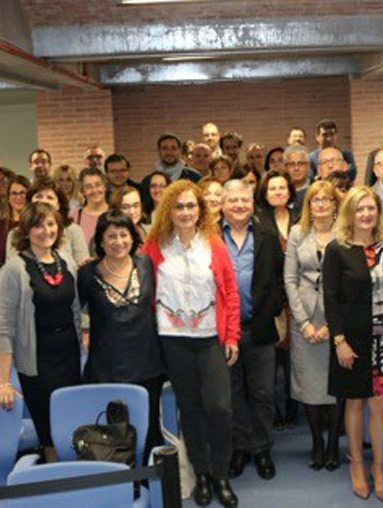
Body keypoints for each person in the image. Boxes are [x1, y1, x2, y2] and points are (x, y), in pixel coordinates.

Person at [142, 180, 239, 507]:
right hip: (173, 339)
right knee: (191, 410)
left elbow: (230, 293)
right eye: (179, 206)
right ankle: (201, 474)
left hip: (210, 337)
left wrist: (233, 337)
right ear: (169, 210)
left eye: (191, 206)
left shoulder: (214, 244)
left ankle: (221, 474)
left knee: (219, 408)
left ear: (201, 209)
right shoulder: (155, 246)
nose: (185, 212)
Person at [323, 185, 383, 501]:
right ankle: (356, 464)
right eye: (360, 209)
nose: (366, 214)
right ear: (350, 214)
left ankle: (380, 468)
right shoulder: (337, 248)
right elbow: (330, 298)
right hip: (350, 341)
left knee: (380, 405)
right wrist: (339, 340)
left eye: (371, 208)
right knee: (354, 403)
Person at [0, 203, 81, 463]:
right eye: (38, 225)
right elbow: (4, 328)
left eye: (51, 224)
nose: (46, 231)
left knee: (70, 421)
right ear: (27, 230)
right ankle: (54, 481)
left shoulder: (66, 261)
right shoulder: (13, 269)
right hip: (38, 361)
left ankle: (75, 479)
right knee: (47, 429)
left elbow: (76, 308)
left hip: (69, 354)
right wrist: (3, 380)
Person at [78, 210, 166, 460]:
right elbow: (75, 312)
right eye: (111, 236)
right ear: (101, 241)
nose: (118, 242)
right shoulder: (87, 274)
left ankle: (154, 485)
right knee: (115, 436)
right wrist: (84, 331)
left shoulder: (145, 264)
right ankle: (124, 486)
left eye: (124, 235)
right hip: (108, 366)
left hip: (148, 363)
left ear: (133, 237)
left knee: (149, 430)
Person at [221, 180, 285, 482]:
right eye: (232, 200)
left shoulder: (267, 235)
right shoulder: (211, 239)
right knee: (232, 394)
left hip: (259, 328)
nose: (238, 205)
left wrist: (273, 308)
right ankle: (239, 447)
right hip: (224, 332)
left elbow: (280, 276)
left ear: (252, 203)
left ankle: (261, 448)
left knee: (262, 393)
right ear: (222, 203)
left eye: (244, 200)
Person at [284, 181, 343, 471]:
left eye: (326, 199)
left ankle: (333, 444)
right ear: (308, 205)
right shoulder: (297, 233)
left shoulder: (345, 233)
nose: (320, 204)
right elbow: (290, 280)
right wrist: (303, 322)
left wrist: (333, 325)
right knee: (309, 385)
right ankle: (316, 444)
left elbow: (348, 282)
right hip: (304, 320)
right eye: (314, 200)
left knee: (335, 385)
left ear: (335, 204)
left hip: (336, 321)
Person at [256, 170, 299, 430]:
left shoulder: (299, 218)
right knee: (271, 363)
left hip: (296, 298)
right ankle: (273, 413)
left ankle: (293, 409)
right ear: (264, 192)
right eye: (272, 188)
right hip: (271, 298)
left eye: (282, 188)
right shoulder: (258, 220)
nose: (277, 192)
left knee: (293, 360)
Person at [5, 178, 90, 266]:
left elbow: (82, 266)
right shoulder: (16, 233)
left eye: (50, 198)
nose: (44, 201)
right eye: (39, 196)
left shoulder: (73, 230)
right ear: (30, 202)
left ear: (58, 205)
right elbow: (13, 268)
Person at [0, 175, 29, 263]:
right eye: (14, 193)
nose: (18, 197)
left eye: (22, 193)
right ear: (8, 197)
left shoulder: (35, 224)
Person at [71, 167, 109, 245]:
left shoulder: (117, 213)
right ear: (82, 191)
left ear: (105, 186)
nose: (94, 190)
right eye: (88, 187)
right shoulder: (74, 217)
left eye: (98, 185)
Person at [283, 145, 310, 212]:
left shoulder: (316, 188)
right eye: (291, 164)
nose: (296, 168)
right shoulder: (281, 191)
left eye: (300, 163)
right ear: (285, 167)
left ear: (308, 166)